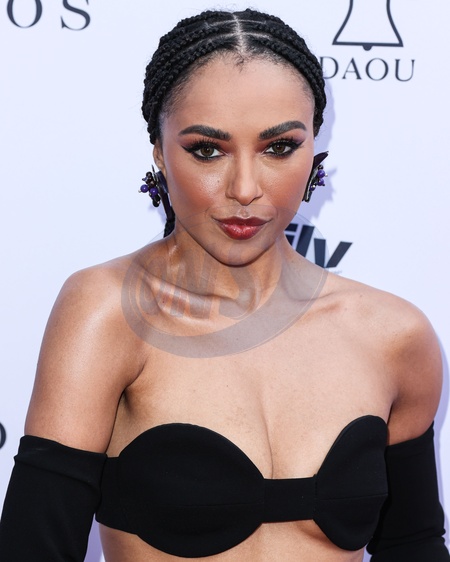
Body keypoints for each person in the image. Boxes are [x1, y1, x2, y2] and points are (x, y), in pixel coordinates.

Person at [0, 7, 449, 562]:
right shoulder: (108, 312)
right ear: (159, 151)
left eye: (279, 147)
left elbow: (413, 545)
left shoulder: (394, 336)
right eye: (207, 150)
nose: (244, 188)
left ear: (313, 149)